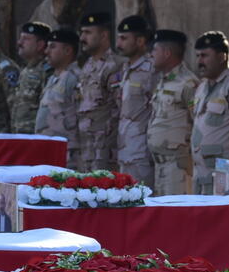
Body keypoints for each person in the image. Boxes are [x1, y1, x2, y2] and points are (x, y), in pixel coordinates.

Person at [190, 30, 229, 194]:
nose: (200, 61)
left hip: (225, 173)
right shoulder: (202, 87)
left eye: (205, 56)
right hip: (201, 174)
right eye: (198, 56)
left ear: (222, 57)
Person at [147, 29, 200, 195]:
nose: (151, 54)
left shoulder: (188, 83)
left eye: (154, 50)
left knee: (176, 217)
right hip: (160, 165)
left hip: (178, 167)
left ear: (167, 53)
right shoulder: (163, 81)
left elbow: (198, 123)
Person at [76, 11, 122, 170]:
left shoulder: (115, 66)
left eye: (88, 33)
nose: (82, 38)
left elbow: (119, 109)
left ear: (104, 36)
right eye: (82, 32)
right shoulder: (87, 66)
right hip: (86, 147)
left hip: (104, 150)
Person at [115, 15, 156, 186]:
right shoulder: (126, 68)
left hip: (142, 153)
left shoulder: (151, 70)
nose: (119, 43)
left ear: (140, 41)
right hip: (125, 149)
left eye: (124, 38)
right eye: (118, 38)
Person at [35, 27, 82, 169]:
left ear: (68, 50)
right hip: (48, 148)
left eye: (52, 47)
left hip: (67, 152)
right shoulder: (54, 77)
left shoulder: (75, 77)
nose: (46, 52)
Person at [11, 21, 50, 134]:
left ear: (40, 45)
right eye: (20, 38)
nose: (19, 43)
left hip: (35, 137)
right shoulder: (25, 70)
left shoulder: (46, 71)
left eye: (26, 39)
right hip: (19, 136)